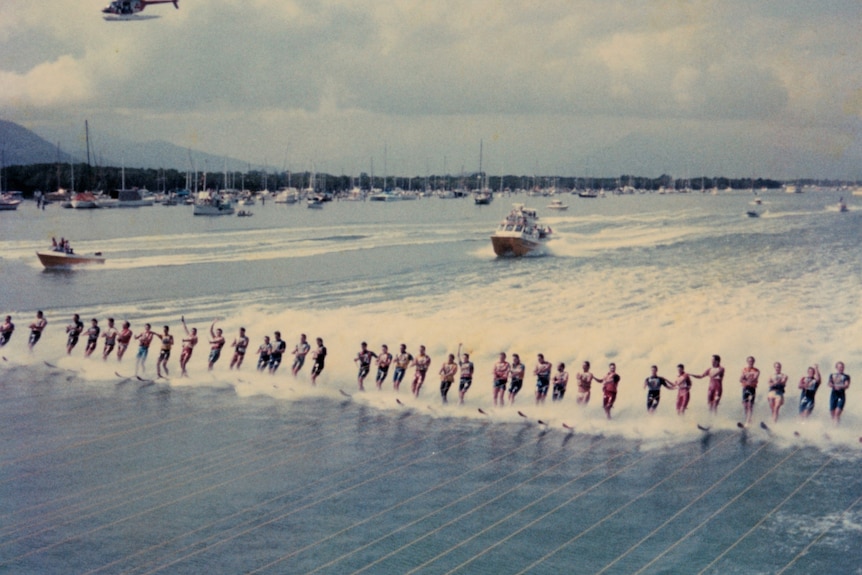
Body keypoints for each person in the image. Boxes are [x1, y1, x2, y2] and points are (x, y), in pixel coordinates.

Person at [739, 356, 760, 427]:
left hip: (752, 389)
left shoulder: (756, 370)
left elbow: (754, 378)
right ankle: (748, 420)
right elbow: (740, 379)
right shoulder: (744, 369)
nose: (750, 362)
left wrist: (746, 379)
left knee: (750, 405)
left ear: (754, 362)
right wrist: (746, 380)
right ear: (747, 362)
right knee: (745, 405)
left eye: (752, 361)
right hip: (745, 388)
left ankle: (748, 421)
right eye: (749, 361)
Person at [828, 361, 851, 425]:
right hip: (833, 395)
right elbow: (829, 383)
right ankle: (833, 426)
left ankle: (836, 429)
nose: (841, 368)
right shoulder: (832, 375)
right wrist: (832, 385)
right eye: (840, 367)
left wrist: (840, 387)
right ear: (836, 368)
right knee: (832, 414)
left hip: (841, 395)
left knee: (837, 413)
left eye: (842, 367)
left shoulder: (846, 376)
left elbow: (847, 385)